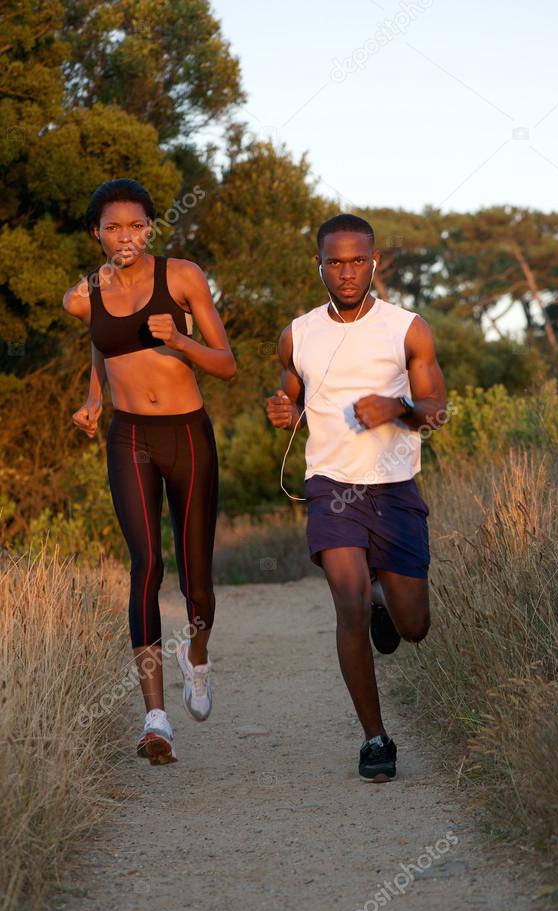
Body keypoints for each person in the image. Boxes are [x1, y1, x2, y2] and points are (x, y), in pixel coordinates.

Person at [266, 214, 447, 782]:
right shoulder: (297, 334)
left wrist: (395, 408)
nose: (346, 273)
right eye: (334, 262)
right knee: (344, 603)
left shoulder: (408, 329)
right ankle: (375, 739)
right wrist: (283, 412)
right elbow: (292, 395)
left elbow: (436, 411)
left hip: (393, 489)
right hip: (331, 488)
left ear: (375, 263)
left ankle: (381, 599)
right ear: (318, 264)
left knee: (413, 626)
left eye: (356, 261)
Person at [63, 178, 236, 765]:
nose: (125, 236)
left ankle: (198, 653)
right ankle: (155, 719)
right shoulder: (85, 293)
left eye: (136, 225)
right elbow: (102, 344)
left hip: (188, 434)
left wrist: (181, 341)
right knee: (146, 564)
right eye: (113, 227)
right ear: (97, 233)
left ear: (150, 229)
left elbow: (228, 365)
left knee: (195, 574)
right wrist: (95, 400)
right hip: (129, 435)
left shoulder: (182, 277)